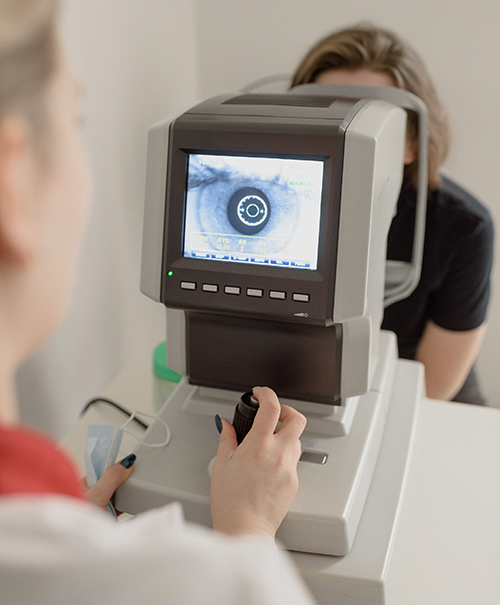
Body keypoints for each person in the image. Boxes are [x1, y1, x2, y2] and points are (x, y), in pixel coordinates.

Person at [0, 2, 314, 604]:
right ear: (12, 183)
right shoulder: (216, 586)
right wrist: (248, 541)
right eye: (76, 118)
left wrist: (61, 527)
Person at [291, 24, 494, 405]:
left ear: (413, 141)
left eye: (370, 123)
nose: (346, 139)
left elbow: (433, 385)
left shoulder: (464, 227)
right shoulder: (280, 206)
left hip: (424, 401)